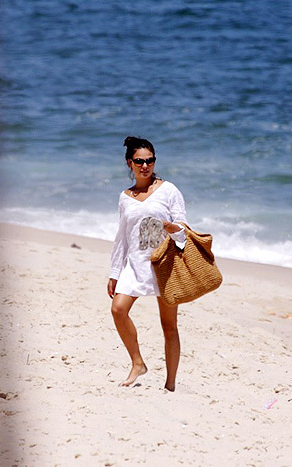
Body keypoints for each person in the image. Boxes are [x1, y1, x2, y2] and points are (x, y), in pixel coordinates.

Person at [107, 136, 187, 392]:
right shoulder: (125, 197)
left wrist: (169, 227)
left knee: (169, 326)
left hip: (164, 263)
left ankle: (170, 384)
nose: (145, 165)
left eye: (149, 160)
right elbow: (122, 237)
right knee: (118, 310)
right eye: (139, 161)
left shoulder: (168, 190)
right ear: (129, 163)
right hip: (135, 263)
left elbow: (184, 231)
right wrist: (115, 272)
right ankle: (137, 362)